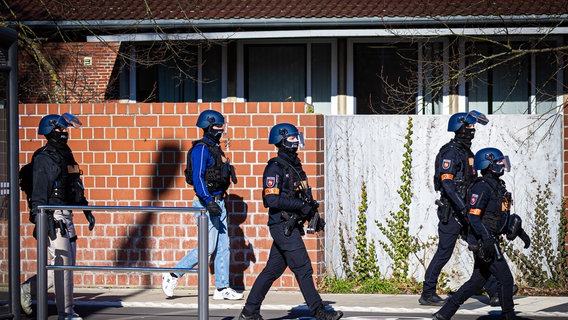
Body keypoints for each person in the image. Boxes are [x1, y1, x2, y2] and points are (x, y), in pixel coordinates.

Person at [238, 123, 342, 320]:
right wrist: (300, 206)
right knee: (303, 268)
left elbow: (303, 197)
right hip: (281, 226)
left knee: (272, 270)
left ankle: (249, 312)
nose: (296, 141)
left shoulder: (295, 167)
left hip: (291, 225)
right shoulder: (274, 168)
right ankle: (319, 311)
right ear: (282, 140)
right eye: (292, 138)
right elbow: (271, 200)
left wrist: (312, 214)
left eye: (296, 138)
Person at [433, 147, 530, 320]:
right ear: (488, 164)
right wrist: (487, 240)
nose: (502, 165)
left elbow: (499, 216)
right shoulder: (482, 187)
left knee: (477, 281)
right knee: (506, 279)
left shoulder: (497, 187)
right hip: (483, 241)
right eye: (499, 162)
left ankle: (444, 313)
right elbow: (473, 217)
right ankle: (509, 315)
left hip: (489, 239)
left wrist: (521, 233)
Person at [20, 113, 96, 320]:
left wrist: (86, 211)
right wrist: (39, 220)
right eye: (61, 130)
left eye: (65, 129)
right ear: (51, 131)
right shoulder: (45, 157)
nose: (65, 133)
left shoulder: (65, 154)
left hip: (67, 214)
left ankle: (26, 289)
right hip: (53, 216)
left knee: (65, 265)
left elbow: (74, 187)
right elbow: (38, 192)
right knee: (63, 266)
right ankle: (66, 313)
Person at [161, 109, 242, 300]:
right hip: (206, 204)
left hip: (219, 202)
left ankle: (222, 288)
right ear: (208, 126)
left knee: (223, 246)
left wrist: (219, 201)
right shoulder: (201, 149)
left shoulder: (215, 148)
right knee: (208, 247)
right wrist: (208, 201)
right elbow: (198, 178)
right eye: (218, 126)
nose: (222, 129)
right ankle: (173, 274)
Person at [419, 110, 489, 306]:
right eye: (469, 126)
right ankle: (428, 292)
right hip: (452, 211)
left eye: (473, 127)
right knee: (444, 252)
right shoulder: (450, 152)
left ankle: (494, 289)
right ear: (459, 128)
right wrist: (462, 207)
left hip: (467, 210)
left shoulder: (468, 153)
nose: (472, 130)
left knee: (481, 246)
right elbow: (447, 184)